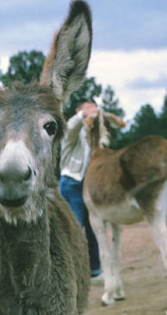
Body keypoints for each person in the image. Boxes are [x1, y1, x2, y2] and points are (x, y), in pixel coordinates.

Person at [59, 99, 102, 279]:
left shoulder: (94, 132)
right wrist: (82, 115)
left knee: (93, 227)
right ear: (78, 110)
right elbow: (72, 126)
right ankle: (69, 272)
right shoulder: (72, 130)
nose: (91, 112)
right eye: (86, 108)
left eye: (94, 108)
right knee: (74, 228)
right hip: (71, 183)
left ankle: (95, 269)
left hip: (89, 184)